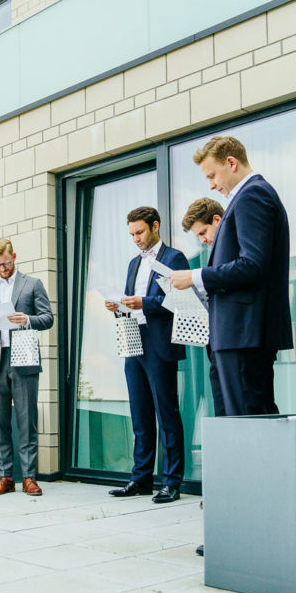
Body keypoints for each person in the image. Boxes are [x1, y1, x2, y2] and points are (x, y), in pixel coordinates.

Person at [171, 136, 293, 417]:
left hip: (244, 334)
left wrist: (195, 277)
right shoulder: (248, 197)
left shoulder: (252, 195)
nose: (211, 185)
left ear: (231, 163)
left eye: (212, 175)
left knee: (248, 423)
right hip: (238, 334)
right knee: (238, 423)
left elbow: (252, 265)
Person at [105, 206, 189, 504]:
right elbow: (134, 302)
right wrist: (119, 306)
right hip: (133, 340)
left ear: (155, 226)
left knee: (167, 414)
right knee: (140, 414)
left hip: (159, 343)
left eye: (139, 232)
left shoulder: (174, 258)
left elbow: (179, 300)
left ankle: (171, 482)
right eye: (131, 234)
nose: (136, 239)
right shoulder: (133, 263)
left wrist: (144, 302)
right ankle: (141, 479)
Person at [0, 238, 54, 496]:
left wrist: (27, 319)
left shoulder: (33, 284)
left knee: (27, 421)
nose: (2, 269)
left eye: (5, 263)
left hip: (24, 358)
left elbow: (48, 318)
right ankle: (5, 477)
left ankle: (29, 477)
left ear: (14, 257)